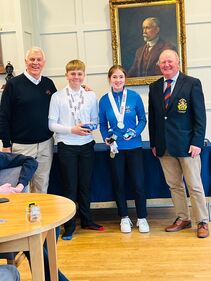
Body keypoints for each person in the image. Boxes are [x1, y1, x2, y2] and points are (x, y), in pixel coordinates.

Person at [148, 49, 209, 238]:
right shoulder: (155, 87)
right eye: (163, 62)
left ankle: (202, 221)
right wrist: (154, 143)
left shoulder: (191, 83)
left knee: (195, 185)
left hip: (187, 145)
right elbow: (155, 118)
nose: (166, 65)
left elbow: (200, 116)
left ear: (178, 62)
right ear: (159, 65)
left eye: (170, 61)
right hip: (164, 146)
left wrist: (197, 141)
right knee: (174, 185)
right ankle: (183, 218)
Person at [48, 59, 104, 240]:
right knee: (70, 187)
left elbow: (96, 121)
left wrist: (88, 127)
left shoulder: (90, 96)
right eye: (73, 73)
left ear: (83, 76)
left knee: (85, 185)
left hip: (87, 145)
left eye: (79, 73)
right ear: (67, 75)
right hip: (67, 147)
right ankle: (70, 226)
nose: (76, 77)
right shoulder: (57, 97)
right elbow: (51, 125)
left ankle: (87, 220)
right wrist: (72, 130)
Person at [99, 65, 149, 234]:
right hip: (115, 148)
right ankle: (124, 217)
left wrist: (135, 131)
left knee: (138, 183)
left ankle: (142, 218)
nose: (118, 80)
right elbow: (102, 124)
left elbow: (142, 119)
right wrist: (106, 137)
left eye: (121, 77)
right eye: (115, 77)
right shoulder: (104, 100)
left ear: (125, 79)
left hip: (134, 146)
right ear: (109, 79)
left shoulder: (134, 97)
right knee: (118, 183)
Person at [0, 46, 57, 193]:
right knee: (20, 189)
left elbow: (61, 104)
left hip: (45, 145)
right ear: (26, 61)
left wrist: (81, 89)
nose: (35, 63)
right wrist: (6, 145)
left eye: (39, 60)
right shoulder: (13, 84)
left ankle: (39, 217)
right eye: (32, 59)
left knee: (41, 186)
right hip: (21, 147)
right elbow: (3, 116)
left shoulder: (48, 84)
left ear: (44, 62)